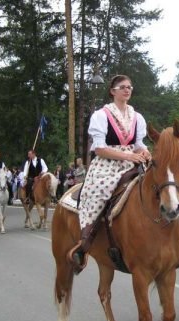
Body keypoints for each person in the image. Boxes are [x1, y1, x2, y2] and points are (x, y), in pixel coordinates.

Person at [69, 74, 151, 274]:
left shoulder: (137, 117)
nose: (127, 90)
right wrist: (128, 156)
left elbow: (139, 144)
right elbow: (99, 149)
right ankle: (86, 239)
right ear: (112, 91)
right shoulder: (101, 115)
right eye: (123, 87)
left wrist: (145, 152)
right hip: (107, 164)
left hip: (132, 161)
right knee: (98, 190)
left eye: (130, 86)